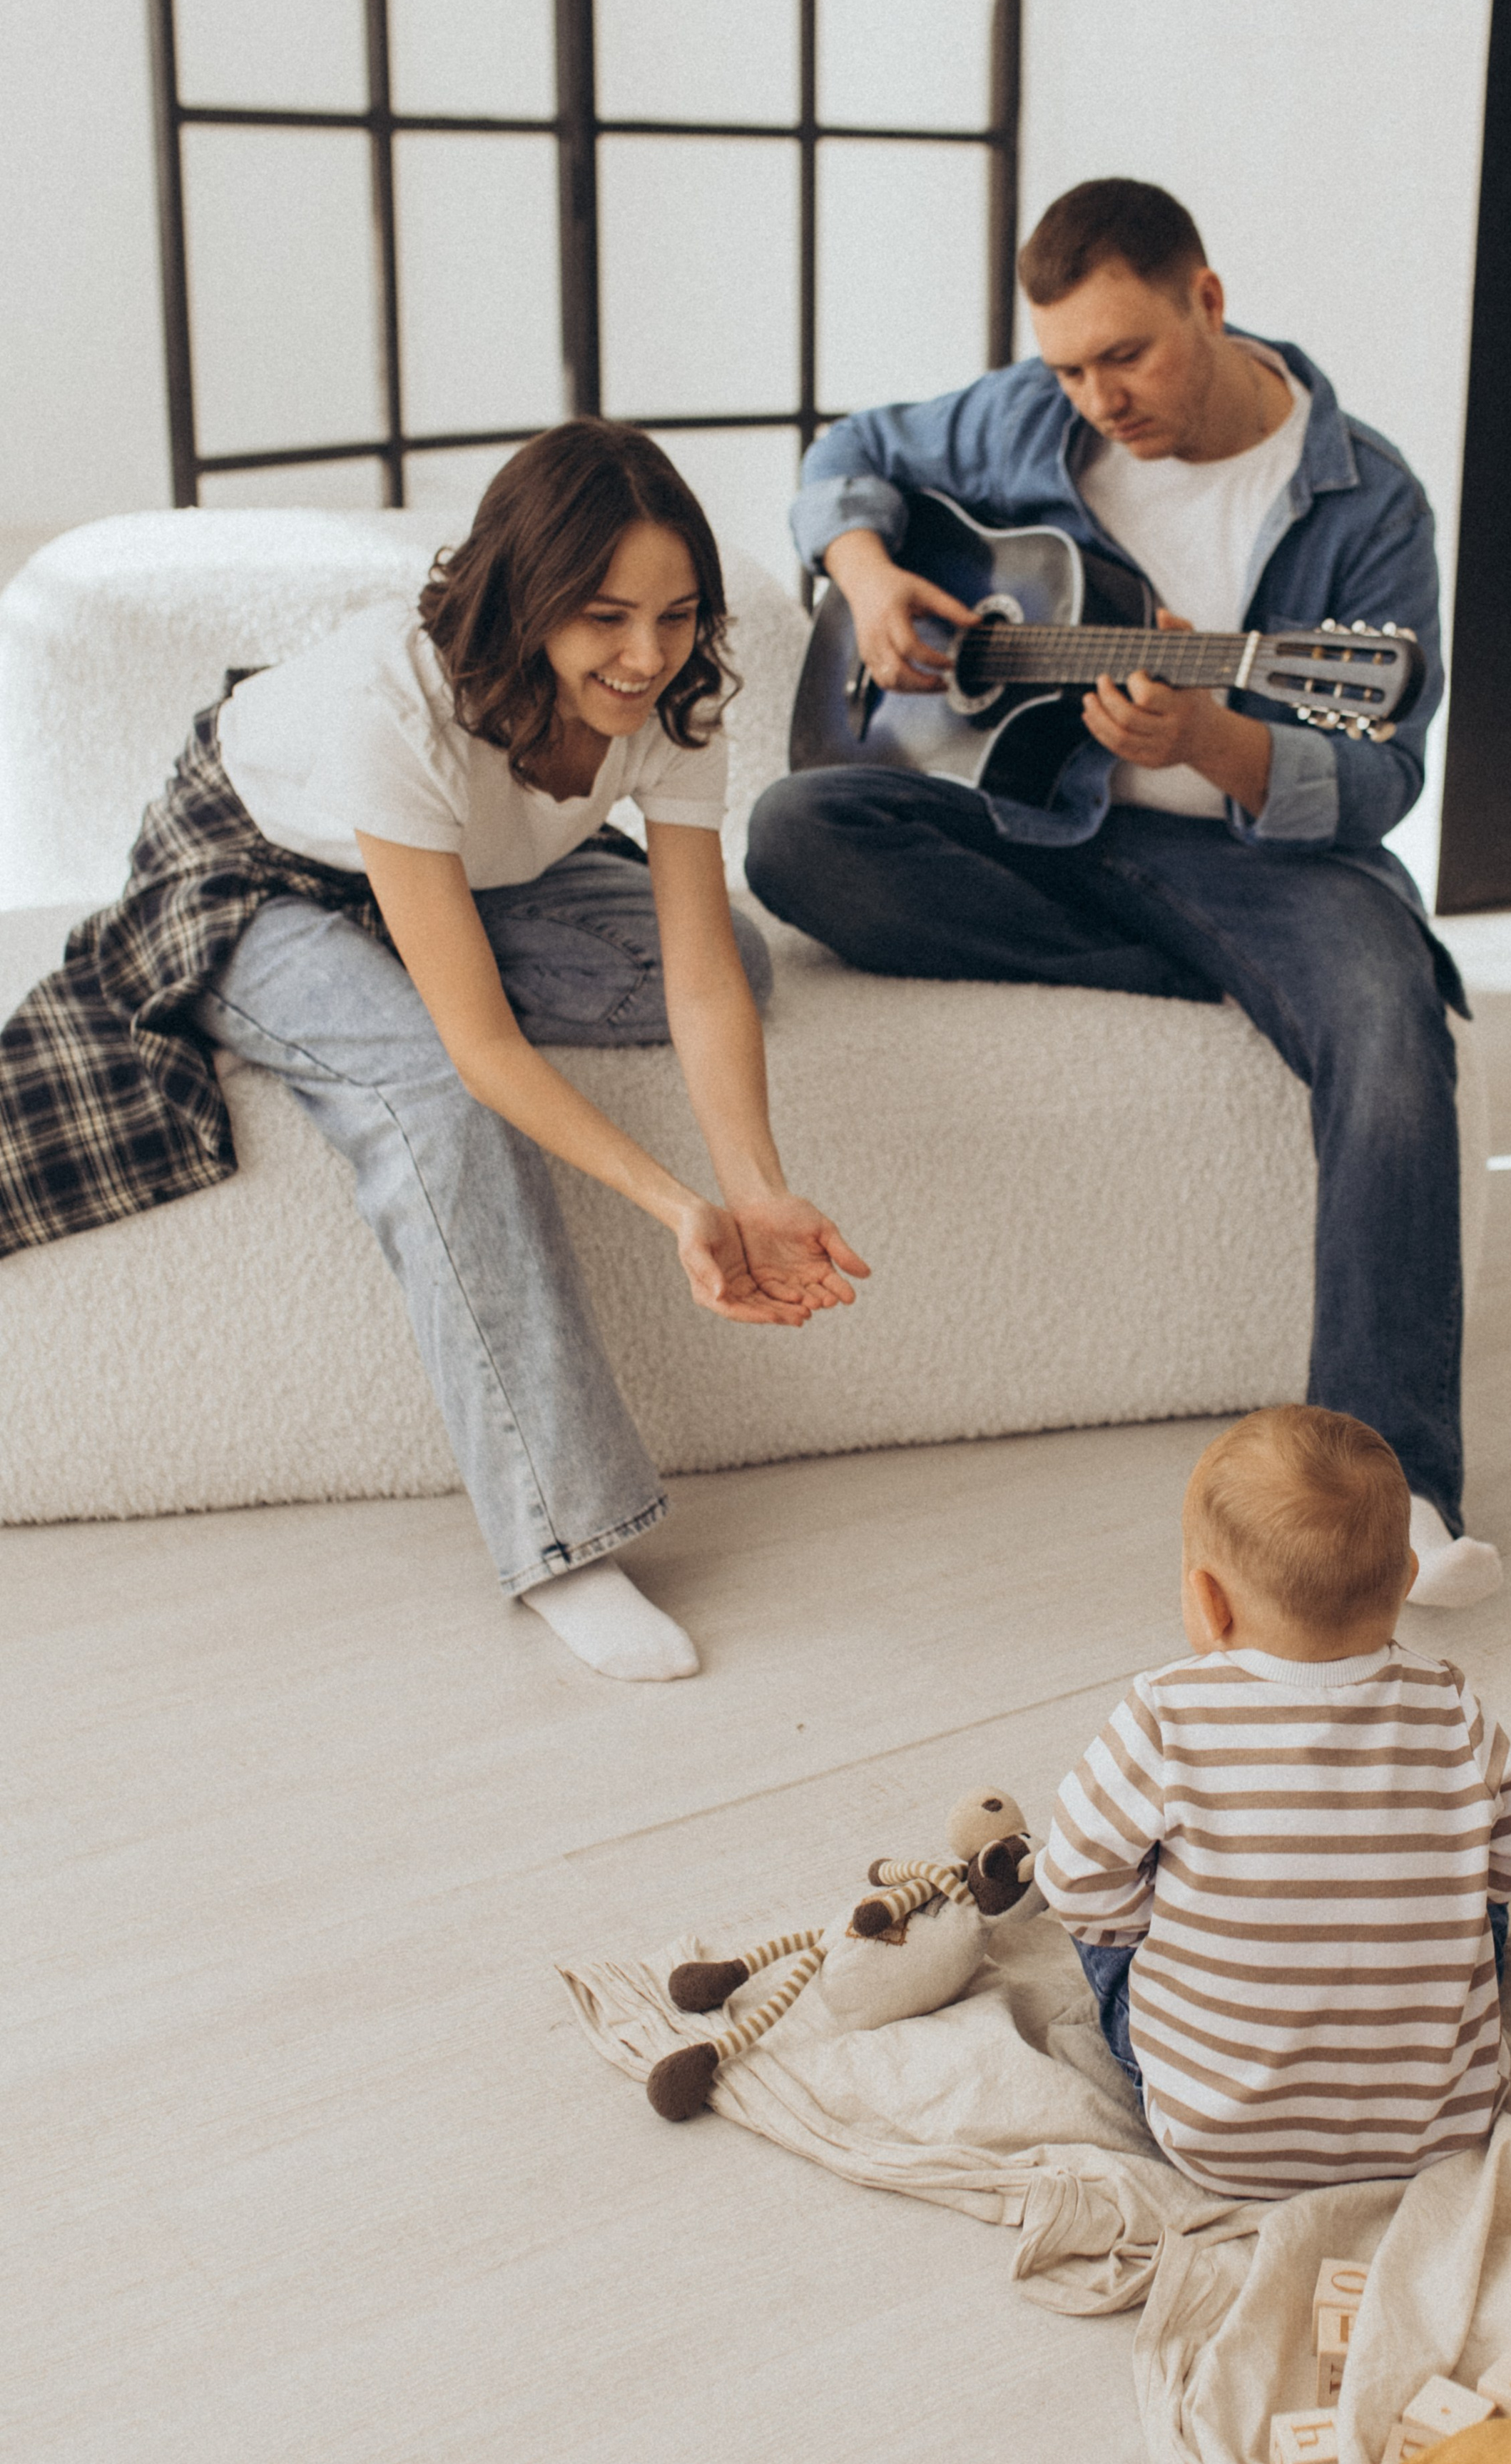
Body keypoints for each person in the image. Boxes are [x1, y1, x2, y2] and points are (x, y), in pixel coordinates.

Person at [0, 422, 866, 1680]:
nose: (645, 655)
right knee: (431, 1094)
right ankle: (565, 1539)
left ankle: (405, 944)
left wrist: (757, 1185)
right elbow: (479, 1054)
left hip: (456, 866)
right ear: (528, 600)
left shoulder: (676, 691)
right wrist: (680, 1207)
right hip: (259, 871)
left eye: (677, 614)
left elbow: (693, 970)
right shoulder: (388, 708)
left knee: (742, 951)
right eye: (606, 617)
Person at [746, 176, 1495, 1603]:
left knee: (1390, 1033)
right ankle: (1205, 967)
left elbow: (1385, 771)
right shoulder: (1029, 418)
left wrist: (1208, 737)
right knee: (794, 831)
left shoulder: (1364, 497)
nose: (1097, 397)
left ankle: (1394, 1498)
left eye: (1126, 356)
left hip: (1253, 857)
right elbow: (849, 449)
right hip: (1042, 830)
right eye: (1068, 366)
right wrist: (863, 566)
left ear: (1204, 301)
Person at [1035, 1407, 1511, 2199]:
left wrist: (1166, 1927)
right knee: (1476, 1896)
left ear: (1208, 1601)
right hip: (1443, 2127)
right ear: (1407, 1582)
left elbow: (1072, 1881)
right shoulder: (1448, 1707)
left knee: (1105, 1926)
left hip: (1216, 2141)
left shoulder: (1166, 1714)